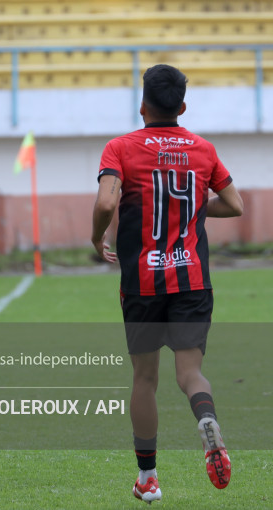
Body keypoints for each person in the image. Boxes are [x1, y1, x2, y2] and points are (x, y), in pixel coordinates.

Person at [91, 64, 243, 504]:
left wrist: (96, 234)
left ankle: (148, 477)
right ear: (182, 106)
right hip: (192, 278)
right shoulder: (202, 149)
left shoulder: (121, 148)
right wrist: (194, 205)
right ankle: (207, 419)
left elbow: (106, 200)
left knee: (144, 379)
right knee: (190, 372)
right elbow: (234, 204)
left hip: (143, 279)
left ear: (142, 105)